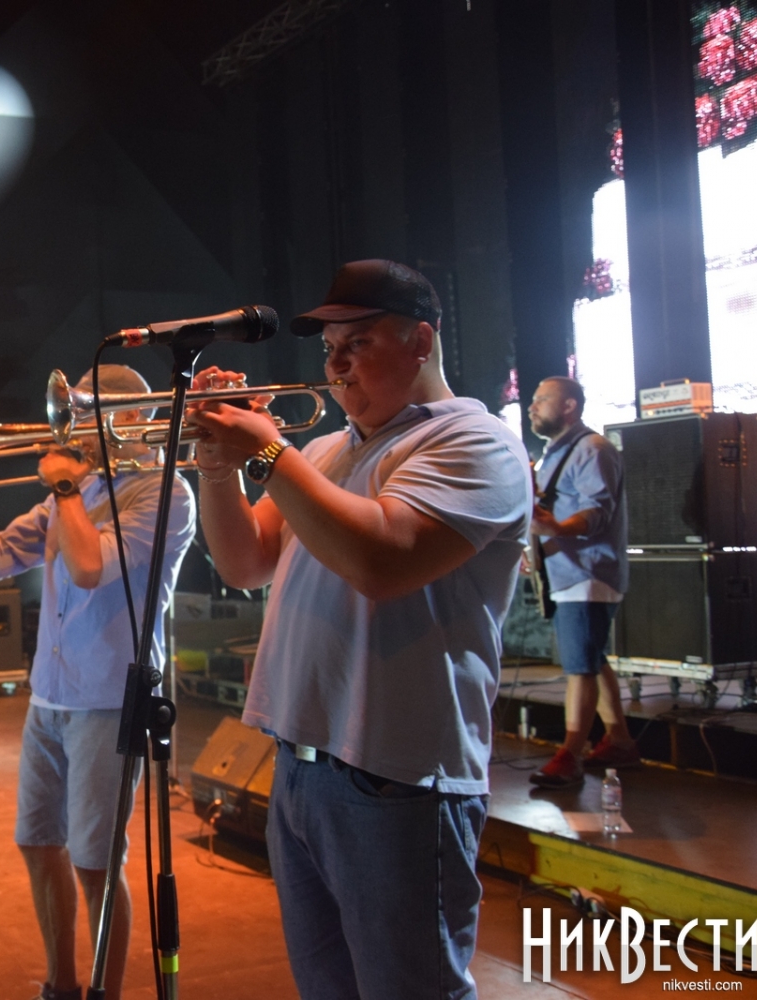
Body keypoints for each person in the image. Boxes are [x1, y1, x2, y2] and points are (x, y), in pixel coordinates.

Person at [186, 260, 531, 999]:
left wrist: (266, 452)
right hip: (299, 767)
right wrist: (217, 466)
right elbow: (246, 563)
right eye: (328, 349)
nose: (336, 365)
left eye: (359, 342)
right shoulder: (323, 452)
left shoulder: (477, 441)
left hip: (396, 778)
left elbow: (382, 559)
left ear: (421, 342)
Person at [0, 364, 195, 1000]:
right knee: (37, 843)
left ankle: (104, 994)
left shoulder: (165, 494)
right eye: (71, 408)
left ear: (135, 417)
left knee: (95, 864)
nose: (70, 425)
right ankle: (61, 984)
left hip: (109, 701)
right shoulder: (74, 491)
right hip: (48, 697)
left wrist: (66, 488)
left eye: (85, 409)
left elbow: (89, 566)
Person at [526, 376, 636, 787]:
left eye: (541, 399)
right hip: (567, 573)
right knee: (591, 657)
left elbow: (596, 511)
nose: (532, 407)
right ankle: (620, 741)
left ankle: (570, 755)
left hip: (588, 573)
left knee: (579, 667)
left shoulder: (593, 449)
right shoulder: (557, 453)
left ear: (570, 405)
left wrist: (555, 528)